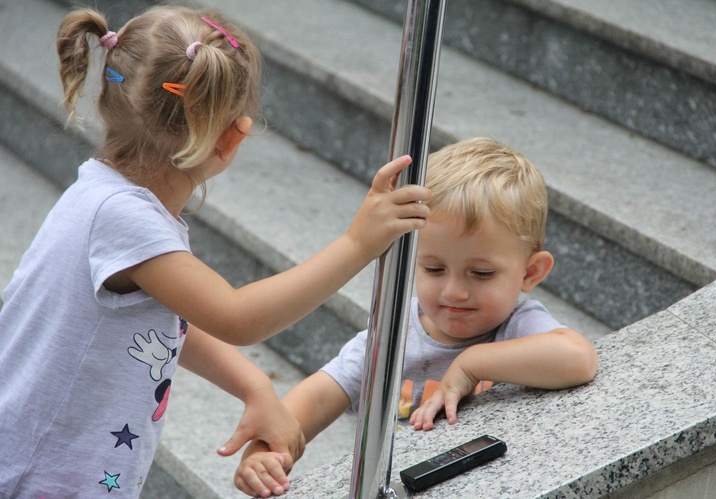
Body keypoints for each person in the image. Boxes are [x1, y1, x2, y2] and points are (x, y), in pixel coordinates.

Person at [0, 5, 431, 498]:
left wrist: (254, 386)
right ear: (233, 137)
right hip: (40, 477)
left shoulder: (101, 193)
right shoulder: (128, 222)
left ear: (109, 95)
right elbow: (236, 317)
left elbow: (164, 321)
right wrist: (357, 244)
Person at [234, 137, 600, 497]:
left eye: (481, 273)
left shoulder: (518, 326)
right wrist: (268, 450)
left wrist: (472, 364)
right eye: (434, 268)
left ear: (531, 273)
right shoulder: (394, 332)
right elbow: (318, 395)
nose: (454, 291)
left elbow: (579, 359)